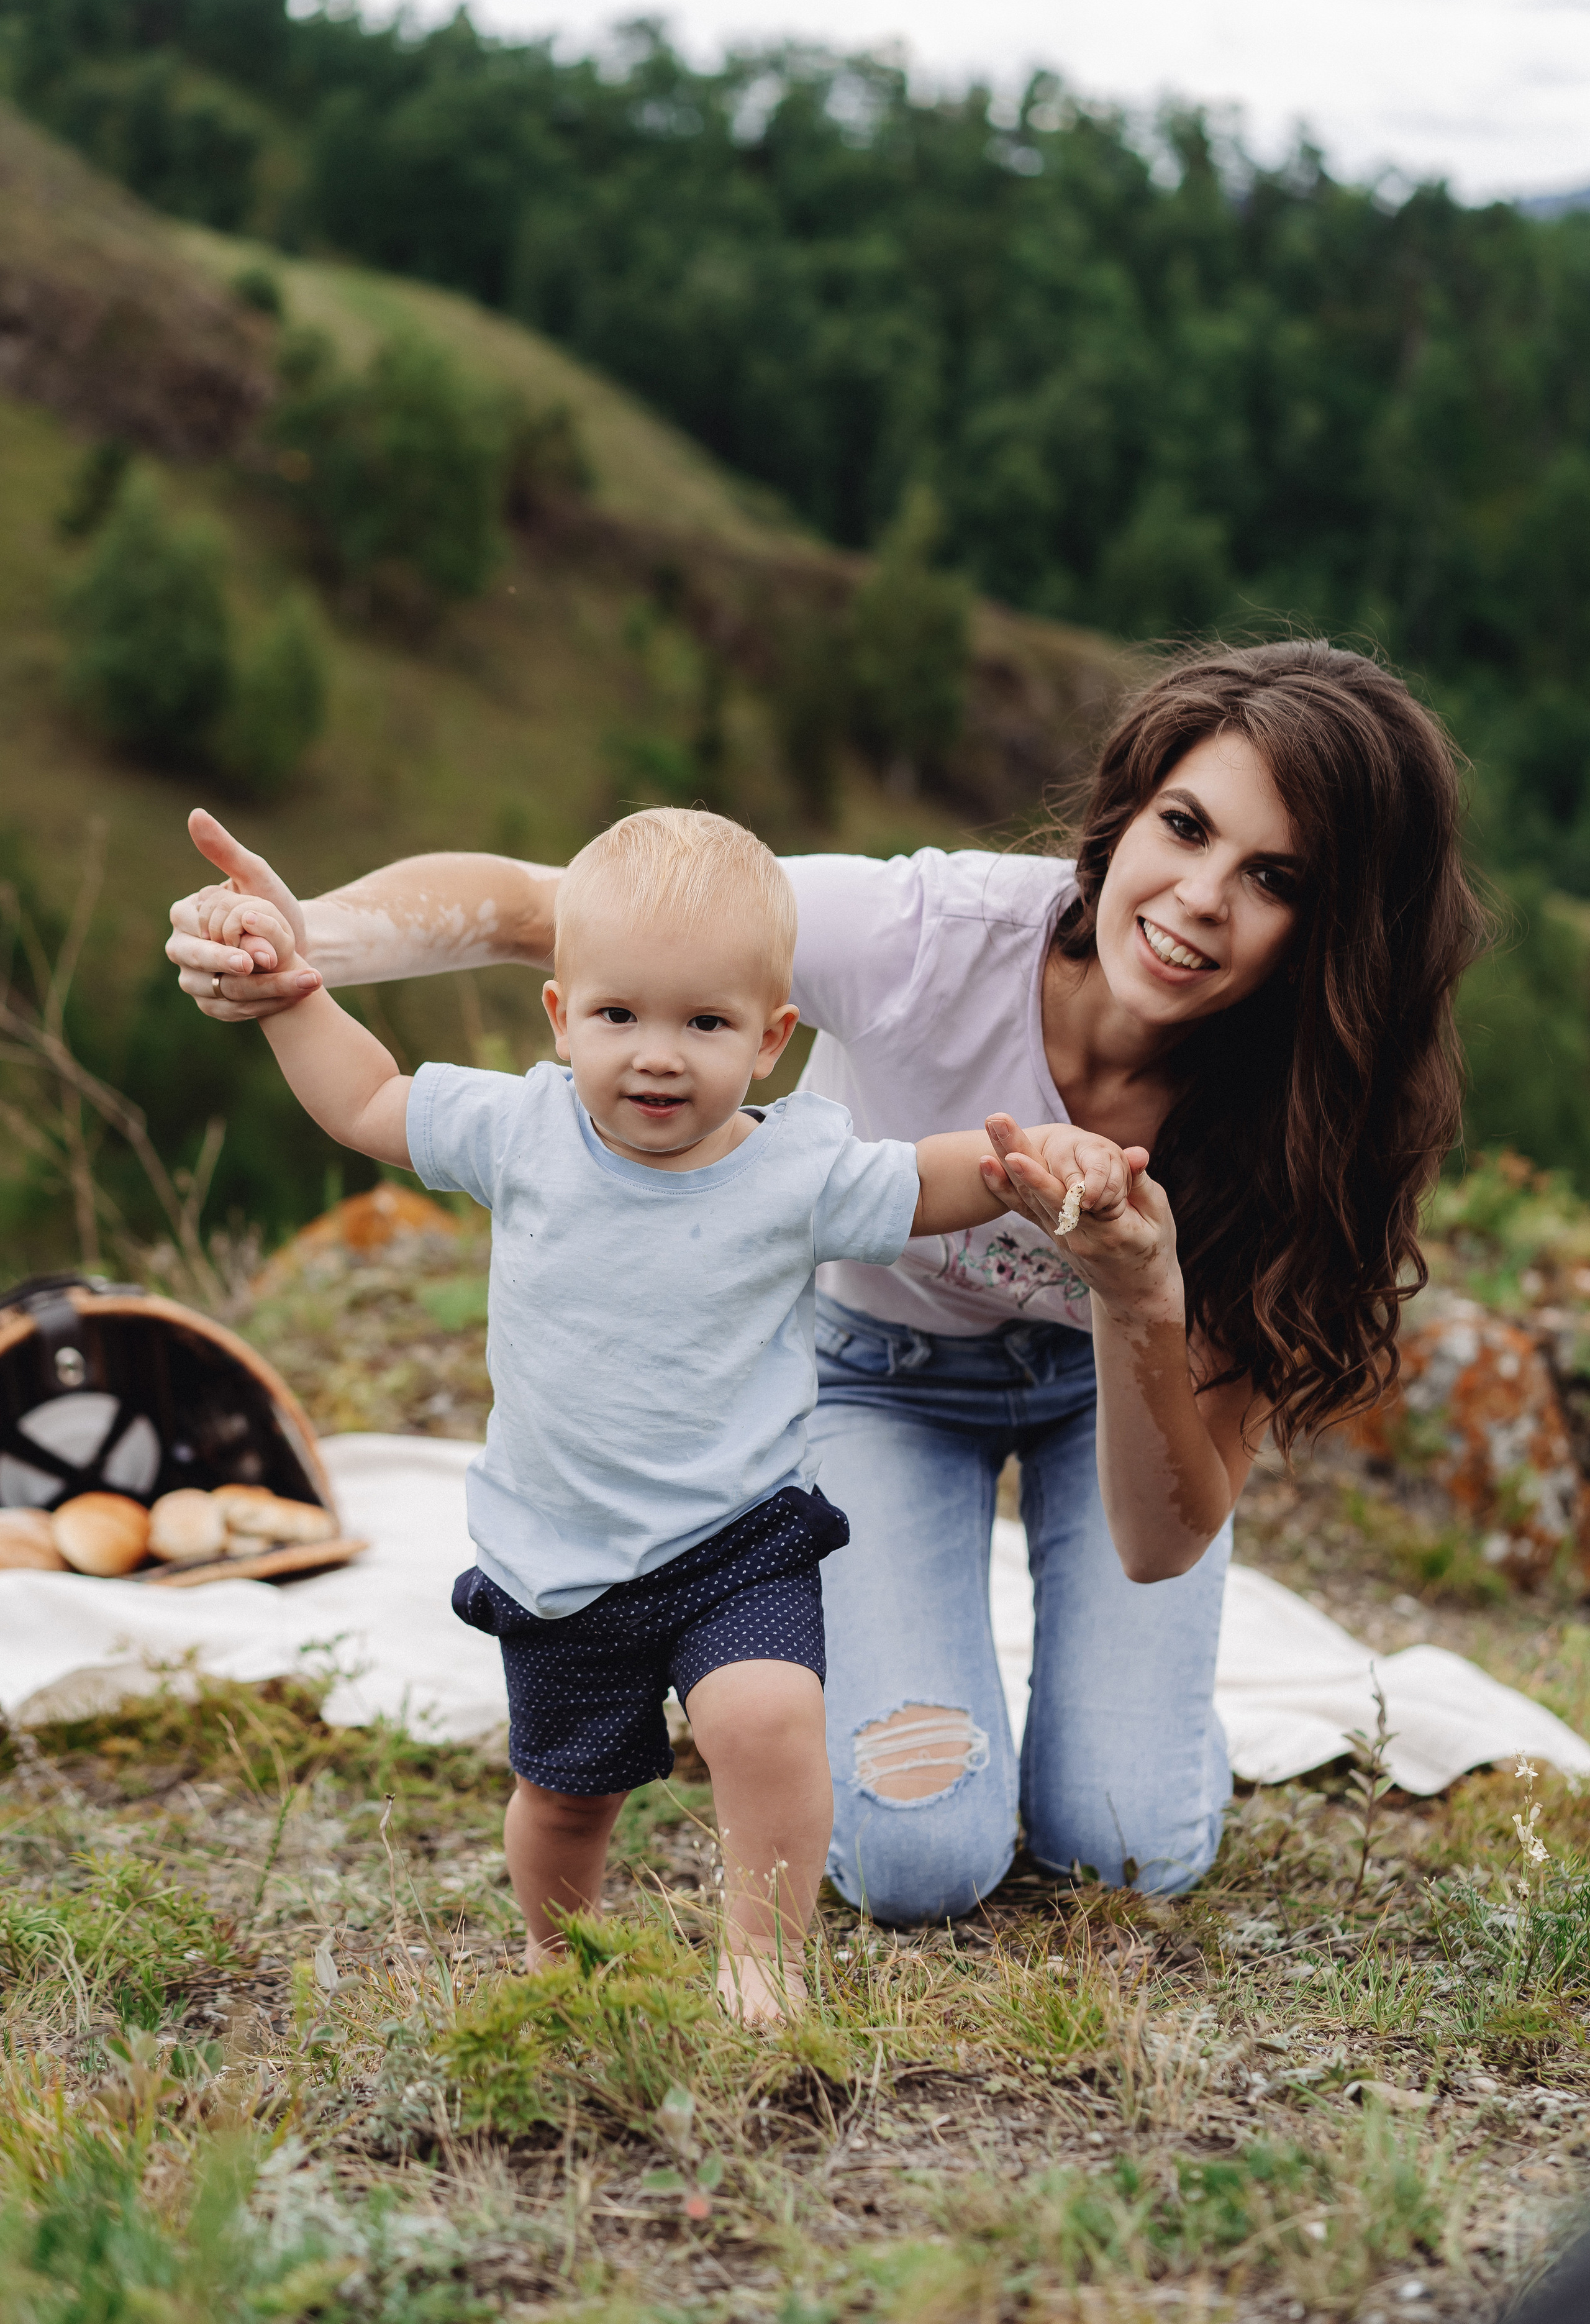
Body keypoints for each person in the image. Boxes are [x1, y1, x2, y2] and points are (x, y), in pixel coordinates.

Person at [168, 640, 1487, 1923]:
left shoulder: (1322, 1124)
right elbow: (540, 903)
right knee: (918, 1860)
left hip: (1113, 1411)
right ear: (1120, 817)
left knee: (1128, 1851)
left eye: (1275, 878)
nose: (1201, 896)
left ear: (1339, 932)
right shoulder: (930, 936)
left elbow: (1159, 1539)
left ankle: (1124, 1718)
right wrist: (295, 947)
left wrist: (1139, 1295)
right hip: (876, 1381)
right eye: (1184, 828)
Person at [198, 804, 1125, 2012]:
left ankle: (762, 1957)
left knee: (770, 1717)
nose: (655, 1054)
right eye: (618, 1015)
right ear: (560, 1016)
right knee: (566, 1797)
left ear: (770, 1039)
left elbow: (921, 1179)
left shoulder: (791, 1169)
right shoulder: (519, 1129)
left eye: (703, 1023)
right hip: (561, 1551)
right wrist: (288, 996)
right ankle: (554, 1958)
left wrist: (1032, 1156)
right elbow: (366, 1100)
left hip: (735, 1537)